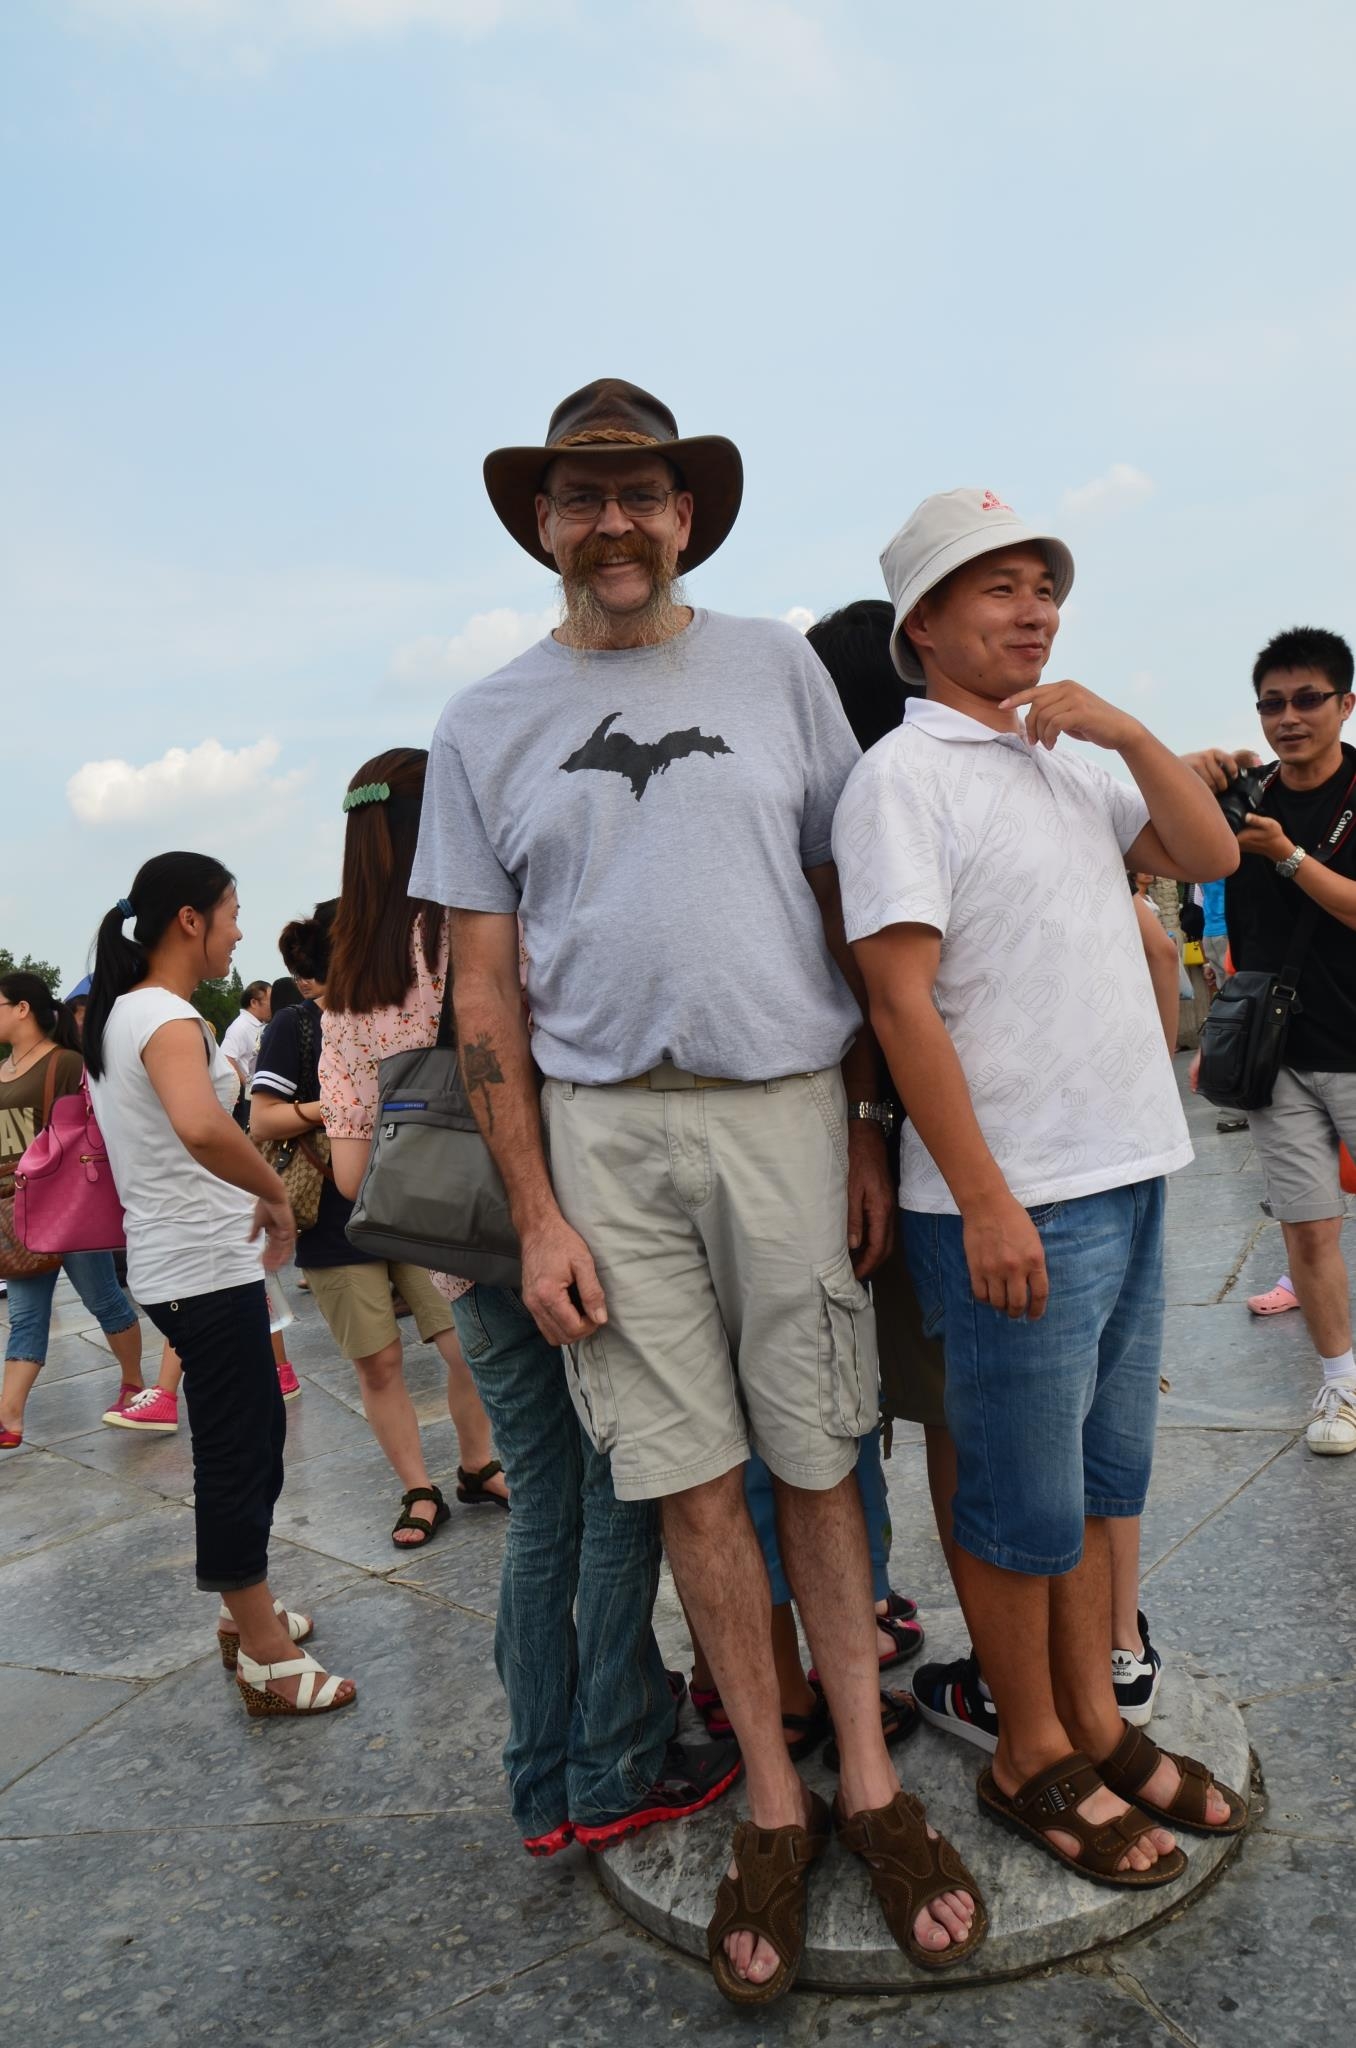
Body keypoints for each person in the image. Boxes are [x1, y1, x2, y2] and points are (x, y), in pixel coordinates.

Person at [413, 380, 983, 2003]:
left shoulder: (775, 668)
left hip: (785, 1109)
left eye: (640, 494)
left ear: (685, 516)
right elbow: (481, 986)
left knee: (817, 1454)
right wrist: (534, 1211)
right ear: (542, 524)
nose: (613, 523)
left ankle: (869, 1782)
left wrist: (865, 1121)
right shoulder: (483, 721)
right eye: (581, 497)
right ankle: (775, 1803)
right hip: (602, 1134)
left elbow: (843, 895)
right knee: (688, 1480)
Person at [834, 486, 1246, 1891]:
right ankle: (1028, 1749)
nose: (1034, 612)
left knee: (1095, 1479)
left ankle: (1089, 1725)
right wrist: (985, 1198)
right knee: (1018, 1500)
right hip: (1020, 1199)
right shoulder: (904, 778)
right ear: (924, 623)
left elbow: (1210, 854)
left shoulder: (1071, 757)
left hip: (1130, 1168)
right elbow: (900, 1001)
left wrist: (1124, 730)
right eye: (998, 589)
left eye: (1044, 587)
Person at [84, 853, 354, 1717]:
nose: (240, 931)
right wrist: (272, 1191)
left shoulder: (124, 1013)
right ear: (190, 920)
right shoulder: (167, 1017)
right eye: (232, 913)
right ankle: (266, 1658)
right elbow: (202, 1128)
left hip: (180, 1261)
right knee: (240, 1450)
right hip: (200, 1263)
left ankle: (250, 1612)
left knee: (250, 1436)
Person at [318, 750, 510, 1534]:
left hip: (459, 1265)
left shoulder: (348, 986)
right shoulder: (478, 927)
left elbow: (351, 1173)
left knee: (544, 1486)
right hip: (551, 1230)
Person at [257, 896, 478, 1543]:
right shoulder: (298, 1024)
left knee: (467, 1347)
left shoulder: (409, 1007)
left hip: (415, 1207)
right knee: (379, 1364)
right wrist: (338, 1107)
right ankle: (418, 1489)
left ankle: (478, 1464)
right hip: (335, 1219)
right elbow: (262, 1118)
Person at [1184, 626, 1356, 1453]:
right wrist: (1183, 777)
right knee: (1307, 1228)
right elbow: (1162, 839)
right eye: (1272, 703)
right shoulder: (1245, 796)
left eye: (1307, 699)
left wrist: (1285, 855)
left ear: (1345, 704)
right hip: (1277, 1059)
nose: (1288, 718)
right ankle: (1340, 1385)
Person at [0, 973, 144, 1447]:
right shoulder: (3, 1069)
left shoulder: (66, 1063)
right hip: (17, 1212)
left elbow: (95, 1125)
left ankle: (133, 1383)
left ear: (23, 1009)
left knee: (103, 1299)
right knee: (26, 1314)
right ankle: (9, 1418)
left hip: (66, 1203)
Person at [220, 980, 271, 1128]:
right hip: (246, 1099)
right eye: (270, 1001)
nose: (272, 1006)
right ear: (254, 1002)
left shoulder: (259, 1026)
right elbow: (227, 1058)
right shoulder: (240, 1026)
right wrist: (248, 1086)